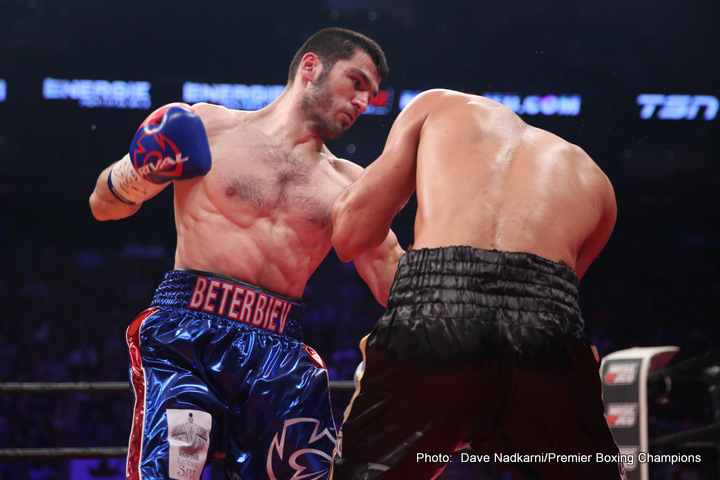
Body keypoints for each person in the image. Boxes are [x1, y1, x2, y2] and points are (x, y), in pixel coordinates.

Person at [89, 28, 403, 480]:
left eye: (371, 95)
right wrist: (137, 169)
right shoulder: (209, 127)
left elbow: (391, 277)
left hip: (280, 354)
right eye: (355, 82)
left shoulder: (349, 184)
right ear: (311, 67)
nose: (362, 102)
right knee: (173, 474)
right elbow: (104, 206)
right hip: (187, 338)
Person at [329, 89, 626, 480]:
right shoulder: (598, 184)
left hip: (434, 310)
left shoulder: (437, 106)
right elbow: (546, 308)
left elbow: (351, 235)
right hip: (547, 334)